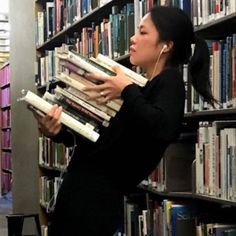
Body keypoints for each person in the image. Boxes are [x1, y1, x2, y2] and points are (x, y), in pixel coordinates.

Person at [32, 6, 216, 236]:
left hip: (95, 200)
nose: (133, 38)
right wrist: (57, 132)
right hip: (81, 192)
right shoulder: (142, 87)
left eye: (143, 32)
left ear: (166, 45)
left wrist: (126, 90)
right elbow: (102, 140)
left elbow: (162, 128)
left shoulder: (169, 82)